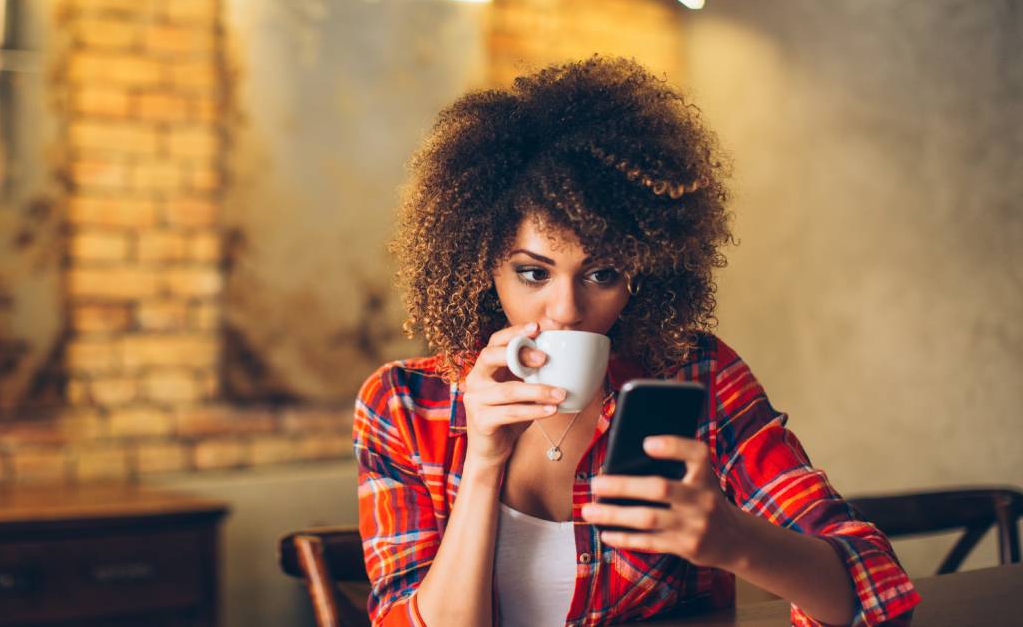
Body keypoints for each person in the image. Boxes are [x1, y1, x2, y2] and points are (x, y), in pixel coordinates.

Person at [353, 56, 919, 626]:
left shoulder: (693, 375)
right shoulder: (403, 405)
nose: (568, 309)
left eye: (602, 274)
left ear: (644, 273)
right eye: (533, 273)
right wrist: (482, 461)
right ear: (481, 265)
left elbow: (876, 593)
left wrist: (734, 539)